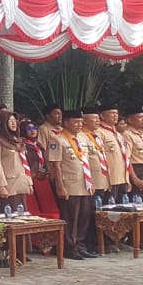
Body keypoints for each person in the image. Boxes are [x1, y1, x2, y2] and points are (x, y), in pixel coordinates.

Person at [54, 108, 97, 259]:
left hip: (84, 184)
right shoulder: (58, 140)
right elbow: (56, 166)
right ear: (66, 123)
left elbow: (87, 162)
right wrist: (60, 186)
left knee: (84, 217)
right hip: (70, 185)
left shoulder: (82, 139)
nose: (79, 124)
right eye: (76, 122)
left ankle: (80, 245)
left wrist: (91, 182)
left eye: (80, 122)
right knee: (70, 217)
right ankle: (69, 247)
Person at [0, 113, 30, 212]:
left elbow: (24, 163)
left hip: (22, 183)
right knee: (12, 215)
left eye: (14, 121)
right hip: (9, 185)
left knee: (23, 215)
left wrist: (29, 182)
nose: (13, 123)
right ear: (3, 123)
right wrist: (2, 186)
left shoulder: (18, 140)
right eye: (10, 121)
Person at [95, 105, 130, 202]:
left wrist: (127, 179)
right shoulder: (99, 133)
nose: (115, 116)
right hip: (110, 180)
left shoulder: (118, 134)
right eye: (112, 113)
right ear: (102, 116)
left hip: (122, 178)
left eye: (117, 113)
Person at [122, 107, 143, 197]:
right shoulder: (127, 135)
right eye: (139, 117)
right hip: (137, 169)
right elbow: (127, 158)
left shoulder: (142, 134)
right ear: (130, 120)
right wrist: (134, 178)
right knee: (138, 198)